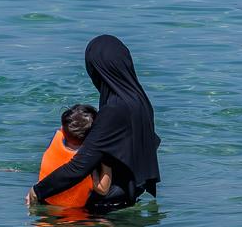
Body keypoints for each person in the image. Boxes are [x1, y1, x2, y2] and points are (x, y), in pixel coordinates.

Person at [29, 35, 160, 212]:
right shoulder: (139, 100)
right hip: (129, 197)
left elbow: (78, 168)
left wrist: (37, 191)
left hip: (107, 207)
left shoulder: (114, 110)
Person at [36, 104, 115, 208]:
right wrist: (106, 162)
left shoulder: (56, 138)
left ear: (63, 129)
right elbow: (102, 189)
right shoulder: (86, 159)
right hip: (72, 213)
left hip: (46, 200)